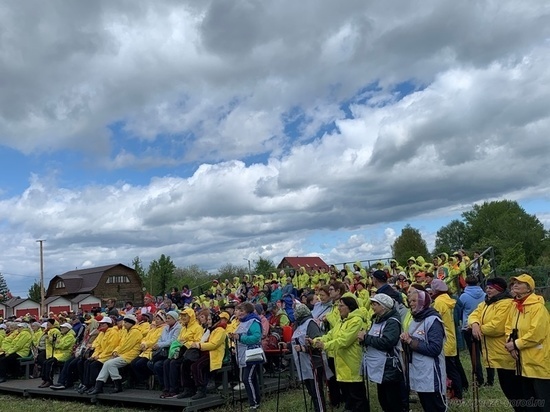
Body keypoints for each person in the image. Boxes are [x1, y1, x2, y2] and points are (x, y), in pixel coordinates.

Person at [468, 277, 523, 411]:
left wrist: (478, 328)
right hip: (495, 354)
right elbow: (473, 315)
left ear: (499, 289)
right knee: (508, 390)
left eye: (491, 288)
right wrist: (474, 323)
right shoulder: (486, 303)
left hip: (506, 354)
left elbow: (497, 327)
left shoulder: (506, 303)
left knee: (514, 391)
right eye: (487, 287)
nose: (487, 290)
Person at [313, 296, 367, 412]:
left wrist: (325, 346)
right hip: (341, 366)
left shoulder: (356, 321)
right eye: (338, 305)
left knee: (357, 398)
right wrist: (315, 341)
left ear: (350, 307)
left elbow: (344, 341)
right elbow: (330, 335)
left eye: (341, 305)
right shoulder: (341, 321)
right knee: (348, 398)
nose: (338, 308)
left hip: (352, 365)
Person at [504, 274, 550, 411]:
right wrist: (510, 344)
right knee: (529, 402)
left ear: (529, 288)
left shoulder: (538, 308)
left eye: (519, 283)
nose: (515, 285)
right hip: (522, 363)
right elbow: (508, 327)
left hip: (538, 362)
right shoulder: (515, 306)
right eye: (514, 283)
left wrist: (516, 344)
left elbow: (536, 334)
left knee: (543, 402)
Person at [400, 289, 446, 412]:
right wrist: (406, 339)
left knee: (436, 407)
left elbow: (435, 349)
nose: (411, 303)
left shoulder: (433, 320)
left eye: (415, 300)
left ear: (423, 301)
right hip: (419, 371)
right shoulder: (415, 319)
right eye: (410, 301)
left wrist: (411, 341)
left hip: (432, 373)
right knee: (426, 405)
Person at [358, 293, 406, 412]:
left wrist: (366, 338)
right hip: (380, 367)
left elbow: (387, 342)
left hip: (389, 366)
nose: (372, 307)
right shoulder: (376, 319)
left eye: (375, 304)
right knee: (383, 399)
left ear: (384, 306)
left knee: (392, 401)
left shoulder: (392, 321)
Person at [286, 304, 330, 412]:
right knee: (311, 391)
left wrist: (304, 348)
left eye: (296, 311)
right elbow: (295, 342)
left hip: (313, 362)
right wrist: (287, 345)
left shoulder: (310, 323)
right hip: (303, 364)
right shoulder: (297, 325)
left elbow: (318, 342)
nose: (294, 314)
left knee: (317, 392)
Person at [87, 314, 142, 394]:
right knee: (107, 363)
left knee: (110, 364)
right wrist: (115, 351)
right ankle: (98, 386)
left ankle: (117, 385)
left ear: (131, 323)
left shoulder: (135, 332)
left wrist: (117, 352)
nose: (124, 324)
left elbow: (127, 346)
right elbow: (121, 344)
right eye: (124, 322)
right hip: (123, 354)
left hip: (130, 355)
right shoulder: (127, 331)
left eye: (126, 322)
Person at [430, 279, 465, 400]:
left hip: (445, 340)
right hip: (451, 337)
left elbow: (435, 320)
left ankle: (458, 394)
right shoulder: (448, 299)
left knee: (450, 370)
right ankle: (457, 391)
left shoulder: (439, 302)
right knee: (453, 367)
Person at [186, 312, 229, 400]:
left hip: (213, 354)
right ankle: (189, 388)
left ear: (215, 320)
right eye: (208, 319)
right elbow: (202, 340)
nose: (208, 321)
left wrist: (199, 346)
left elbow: (214, 344)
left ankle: (201, 389)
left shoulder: (220, 330)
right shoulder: (209, 329)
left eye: (210, 320)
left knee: (196, 366)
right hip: (205, 352)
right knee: (186, 363)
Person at [229, 302, 264, 411]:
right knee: (251, 379)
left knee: (247, 378)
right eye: (237, 310)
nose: (238, 313)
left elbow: (256, 338)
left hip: (252, 354)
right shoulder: (242, 322)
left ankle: (253, 403)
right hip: (243, 354)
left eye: (241, 311)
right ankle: (256, 401)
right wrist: (233, 338)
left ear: (248, 312)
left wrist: (239, 337)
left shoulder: (254, 322)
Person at [458, 275, 486, 386]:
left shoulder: (463, 296)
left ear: (466, 283)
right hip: (482, 326)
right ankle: (490, 378)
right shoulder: (484, 295)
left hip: (468, 327)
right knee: (486, 353)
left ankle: (479, 379)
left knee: (474, 354)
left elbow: (460, 312)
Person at [39, 322, 76, 388]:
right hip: (57, 354)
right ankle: (45, 379)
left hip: (64, 355)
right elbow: (54, 344)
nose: (61, 329)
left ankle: (49, 381)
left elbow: (63, 346)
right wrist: (56, 343)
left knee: (50, 363)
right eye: (61, 327)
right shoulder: (61, 335)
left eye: (63, 327)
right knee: (45, 362)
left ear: (68, 329)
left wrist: (56, 344)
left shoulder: (70, 336)